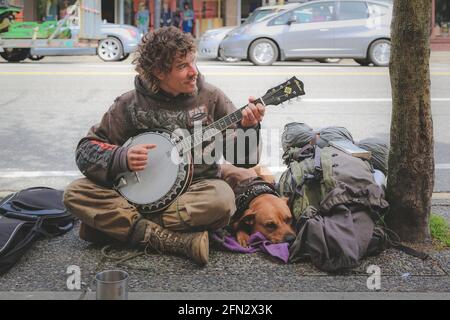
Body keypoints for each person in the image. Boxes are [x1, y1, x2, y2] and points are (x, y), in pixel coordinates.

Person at [63, 27, 265, 266]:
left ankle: (122, 227)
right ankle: (169, 239)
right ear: (158, 71)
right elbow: (86, 150)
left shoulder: (211, 98)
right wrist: (121, 157)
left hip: (194, 192)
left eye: (193, 62)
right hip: (135, 194)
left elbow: (244, 159)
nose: (194, 72)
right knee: (75, 192)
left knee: (222, 200)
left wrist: (248, 128)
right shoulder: (128, 104)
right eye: (182, 66)